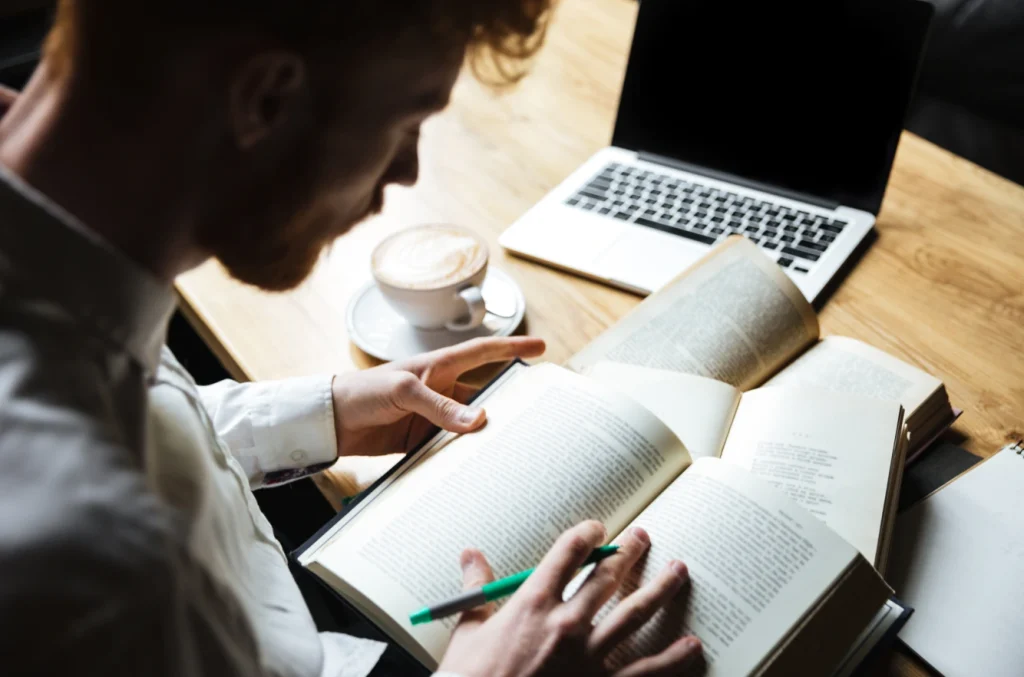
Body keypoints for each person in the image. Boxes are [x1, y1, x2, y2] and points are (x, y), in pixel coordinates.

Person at [0, 2, 703, 676]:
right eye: (408, 124)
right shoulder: (93, 563)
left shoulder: (66, 248)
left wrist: (322, 411)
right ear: (266, 99)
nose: (408, 172)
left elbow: (132, 405)